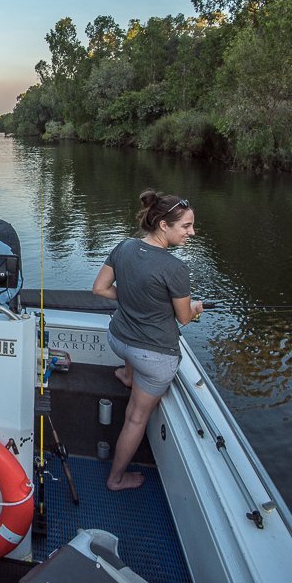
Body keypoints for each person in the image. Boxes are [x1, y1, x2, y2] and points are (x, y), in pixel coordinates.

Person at [92, 190, 204, 492]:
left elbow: (100, 289)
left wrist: (131, 297)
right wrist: (196, 309)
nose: (192, 232)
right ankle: (116, 479)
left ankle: (128, 375)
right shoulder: (175, 268)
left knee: (133, 360)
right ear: (164, 225)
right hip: (153, 356)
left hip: (118, 340)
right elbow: (183, 318)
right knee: (135, 417)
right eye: (186, 226)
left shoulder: (124, 246)